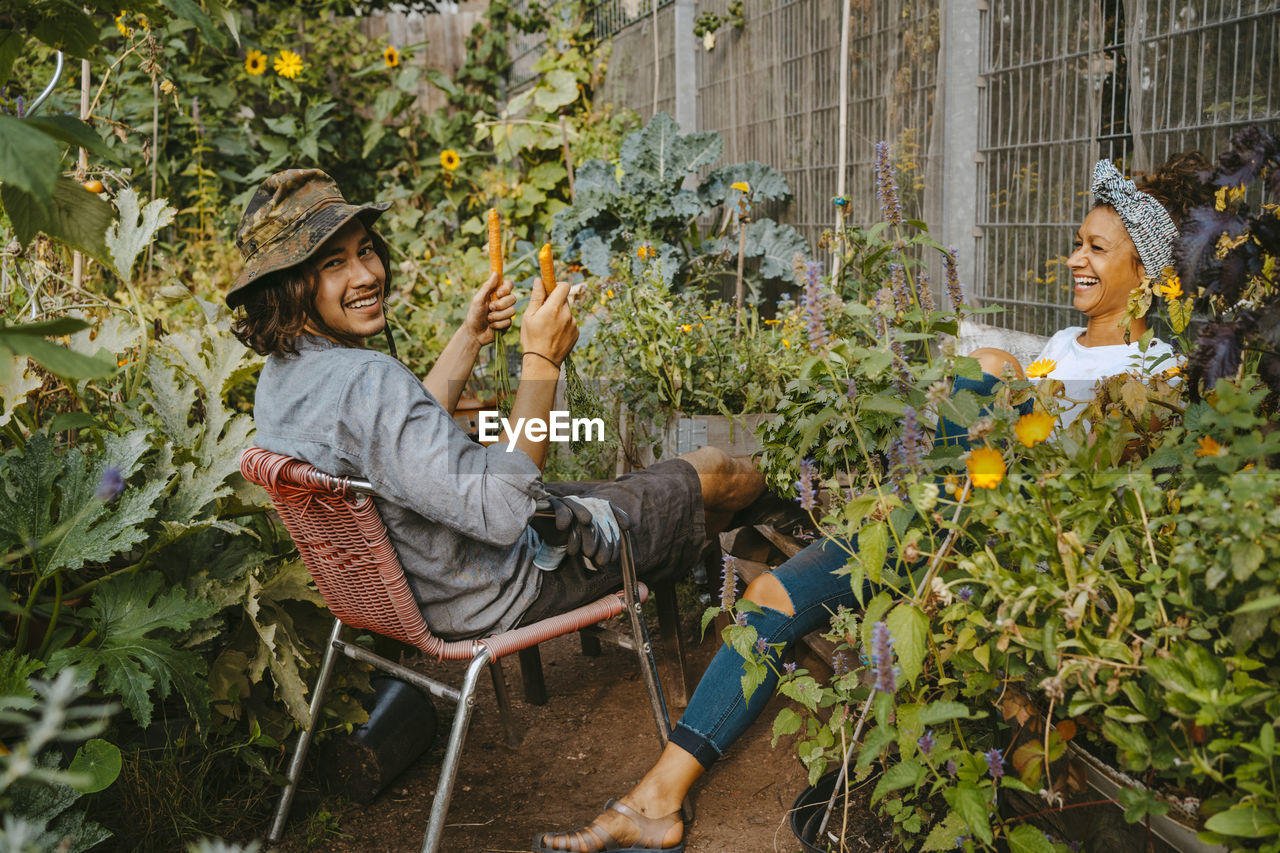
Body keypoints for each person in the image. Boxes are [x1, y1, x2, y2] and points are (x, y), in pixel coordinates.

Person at [531, 153, 1210, 853]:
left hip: (1000, 555)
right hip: (936, 519)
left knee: (983, 371)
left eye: (1096, 248)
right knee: (766, 598)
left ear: (1147, 273)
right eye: (1077, 242)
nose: (1075, 259)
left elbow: (1098, 502)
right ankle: (655, 800)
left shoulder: (1155, 373)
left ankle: (889, 525)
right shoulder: (1064, 342)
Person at [227, 168, 766, 643]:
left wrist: (471, 334)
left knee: (685, 492)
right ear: (290, 288)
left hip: (431, 589)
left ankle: (714, 570)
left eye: (365, 249)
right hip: (503, 584)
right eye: (333, 263)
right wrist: (542, 360)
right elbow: (504, 509)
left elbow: (399, 442)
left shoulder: (284, 380)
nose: (366, 275)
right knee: (714, 471)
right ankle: (791, 517)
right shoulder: (366, 379)